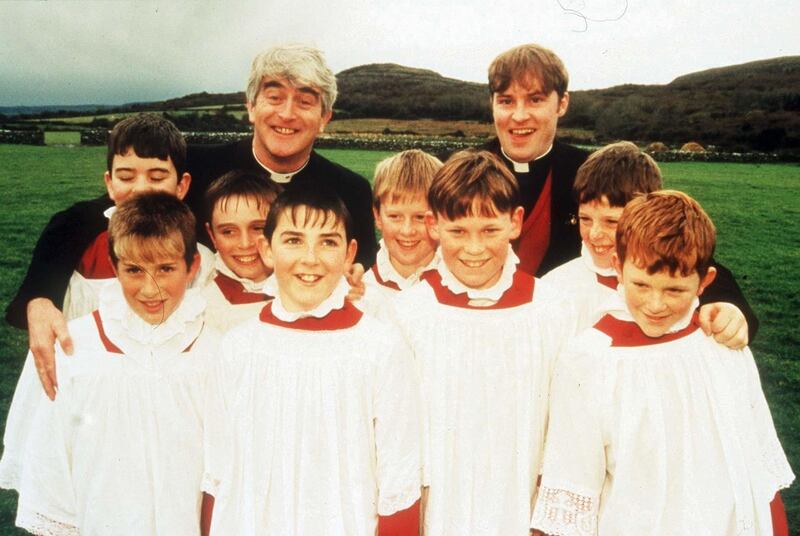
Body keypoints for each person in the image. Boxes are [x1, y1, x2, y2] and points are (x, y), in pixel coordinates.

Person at [531, 191, 793, 536]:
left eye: (674, 290)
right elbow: (571, 489)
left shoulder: (723, 344)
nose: (655, 304)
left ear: (706, 281)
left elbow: (758, 469)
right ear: (618, 268)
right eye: (641, 284)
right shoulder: (587, 360)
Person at [483, 44, 760, 345]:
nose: (519, 116)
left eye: (535, 100)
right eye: (506, 101)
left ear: (561, 104)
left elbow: (680, 248)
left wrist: (731, 307)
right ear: (492, 104)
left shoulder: (592, 174)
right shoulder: (460, 174)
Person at [201, 184, 421, 535]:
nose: (310, 258)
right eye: (293, 240)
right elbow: (215, 474)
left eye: (328, 242)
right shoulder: (238, 348)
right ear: (266, 249)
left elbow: (400, 482)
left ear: (350, 254)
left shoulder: (380, 348)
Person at [0, 193, 219, 535]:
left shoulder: (215, 351)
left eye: (166, 268)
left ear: (192, 267)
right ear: (114, 266)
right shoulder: (76, 349)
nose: (151, 288)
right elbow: (52, 464)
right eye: (134, 270)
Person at [392, 150, 571, 535]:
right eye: (457, 231)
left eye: (490, 230)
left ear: (515, 223)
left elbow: (569, 425)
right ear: (433, 226)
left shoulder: (552, 310)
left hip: (522, 509)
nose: (474, 248)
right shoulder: (406, 314)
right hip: (439, 512)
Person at [5, 113, 214, 400]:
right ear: (110, 182)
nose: (141, 188)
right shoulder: (76, 236)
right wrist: (38, 302)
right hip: (92, 391)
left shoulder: (198, 253)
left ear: (182, 186)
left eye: (157, 176)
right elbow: (43, 294)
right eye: (126, 176)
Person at [543, 141, 758, 344]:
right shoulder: (558, 282)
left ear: (648, 215)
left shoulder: (675, 264)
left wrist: (733, 311)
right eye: (585, 219)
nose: (594, 234)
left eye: (612, 221)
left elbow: (705, 275)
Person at [185, 44, 378, 267]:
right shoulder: (195, 168)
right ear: (251, 107)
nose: (287, 114)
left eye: (304, 102)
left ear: (324, 118)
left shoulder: (352, 191)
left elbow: (362, 273)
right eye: (275, 97)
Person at [359, 149, 441, 314]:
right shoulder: (361, 291)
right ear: (378, 216)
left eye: (420, 217)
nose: (407, 231)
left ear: (441, 217)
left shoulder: (460, 284)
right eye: (395, 216)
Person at [202, 169, 281, 332]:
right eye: (228, 231)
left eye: (258, 228)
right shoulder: (201, 297)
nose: (245, 244)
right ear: (212, 235)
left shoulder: (311, 284)